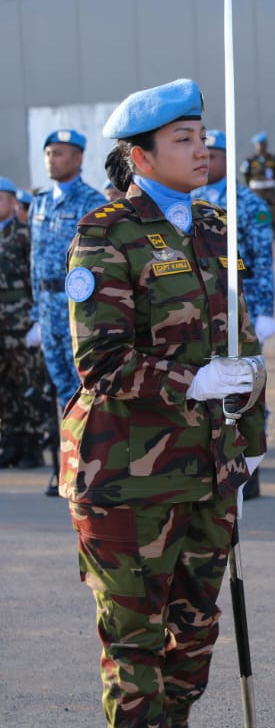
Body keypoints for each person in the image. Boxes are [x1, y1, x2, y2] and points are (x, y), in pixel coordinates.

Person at [60, 78, 266, 728]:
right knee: (135, 637)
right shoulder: (106, 234)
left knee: (196, 629)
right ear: (141, 157)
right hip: (126, 475)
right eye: (184, 139)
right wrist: (194, 380)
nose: (202, 149)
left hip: (208, 468)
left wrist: (251, 435)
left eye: (202, 136)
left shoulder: (214, 227)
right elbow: (101, 363)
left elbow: (240, 343)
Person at [192, 130, 275, 500]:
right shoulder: (186, 200)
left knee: (244, 389)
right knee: (207, 390)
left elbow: (261, 261)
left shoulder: (247, 202)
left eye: (214, 154)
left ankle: (248, 467)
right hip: (198, 314)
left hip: (239, 310)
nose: (206, 159)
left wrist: (264, 312)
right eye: (202, 152)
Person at [29, 128, 107, 493]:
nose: (52, 160)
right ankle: (66, 464)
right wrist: (36, 313)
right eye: (49, 153)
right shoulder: (40, 202)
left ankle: (91, 466)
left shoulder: (92, 202)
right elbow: (34, 261)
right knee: (60, 389)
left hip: (77, 311)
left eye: (59, 153)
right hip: (48, 311)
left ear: (78, 158)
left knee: (83, 390)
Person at [0, 176, 45, 468]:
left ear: (12, 202)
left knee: (28, 383)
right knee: (4, 387)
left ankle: (33, 444)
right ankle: (11, 441)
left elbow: (37, 275)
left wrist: (39, 318)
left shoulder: (24, 234)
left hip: (21, 322)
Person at [240, 131, 275, 239]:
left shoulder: (272, 159)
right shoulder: (250, 160)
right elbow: (246, 175)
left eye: (264, 144)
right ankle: (260, 231)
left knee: (273, 211)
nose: (262, 147)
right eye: (260, 144)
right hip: (257, 191)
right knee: (259, 211)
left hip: (269, 191)